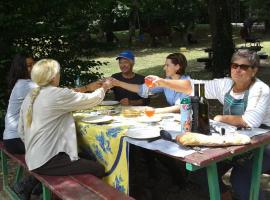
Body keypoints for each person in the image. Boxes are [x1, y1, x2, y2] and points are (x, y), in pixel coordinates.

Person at [145, 49, 270, 199]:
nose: (237, 70)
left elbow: (250, 121)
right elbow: (193, 86)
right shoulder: (226, 84)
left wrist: (220, 118)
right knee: (201, 171)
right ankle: (225, 196)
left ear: (254, 70)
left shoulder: (261, 89)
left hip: (263, 143)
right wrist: (162, 81)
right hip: (235, 139)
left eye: (243, 67)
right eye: (234, 65)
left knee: (241, 181)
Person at [17, 59, 112, 199]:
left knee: (87, 156)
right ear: (54, 76)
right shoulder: (56, 94)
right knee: (98, 169)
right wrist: (104, 88)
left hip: (33, 157)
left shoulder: (32, 94)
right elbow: (91, 100)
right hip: (47, 160)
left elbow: (21, 130)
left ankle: (35, 185)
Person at [111, 53, 190, 113]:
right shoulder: (167, 80)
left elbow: (181, 107)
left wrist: (155, 111)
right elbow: (142, 89)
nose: (164, 68)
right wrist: (118, 83)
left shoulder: (187, 84)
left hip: (188, 121)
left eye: (167, 65)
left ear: (177, 67)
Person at [3, 53, 36, 154]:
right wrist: (85, 88)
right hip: (17, 140)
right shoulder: (26, 85)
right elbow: (55, 93)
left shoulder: (22, 83)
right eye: (29, 66)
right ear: (21, 68)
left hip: (12, 140)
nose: (34, 68)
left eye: (34, 64)